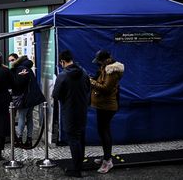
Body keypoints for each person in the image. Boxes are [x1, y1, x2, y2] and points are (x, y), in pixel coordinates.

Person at [52, 50, 90, 178]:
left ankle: (76, 170)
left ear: (62, 61)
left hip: (69, 111)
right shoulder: (84, 73)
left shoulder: (62, 76)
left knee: (73, 140)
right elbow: (88, 89)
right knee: (81, 139)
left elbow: (55, 95)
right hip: (82, 110)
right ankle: (79, 165)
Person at [90, 50, 124, 174]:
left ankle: (108, 161)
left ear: (105, 60)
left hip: (107, 106)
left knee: (104, 132)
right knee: (103, 131)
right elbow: (101, 82)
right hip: (102, 105)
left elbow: (105, 88)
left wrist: (91, 81)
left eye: (100, 62)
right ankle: (106, 156)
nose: (99, 64)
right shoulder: (105, 68)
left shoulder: (112, 71)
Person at [9, 53, 45, 148]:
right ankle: (29, 139)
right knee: (29, 118)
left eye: (12, 60)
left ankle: (19, 139)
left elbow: (18, 84)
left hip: (25, 98)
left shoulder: (21, 69)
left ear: (17, 60)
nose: (11, 62)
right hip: (31, 97)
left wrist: (17, 76)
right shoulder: (28, 68)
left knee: (21, 117)